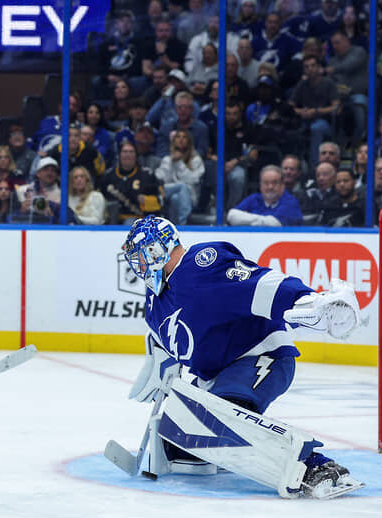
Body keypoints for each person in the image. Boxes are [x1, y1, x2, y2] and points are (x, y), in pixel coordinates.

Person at [119, 215, 364, 499]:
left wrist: (311, 303)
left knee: (220, 419)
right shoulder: (154, 301)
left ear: (155, 250)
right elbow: (166, 349)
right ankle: (225, 449)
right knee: (179, 441)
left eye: (140, 256)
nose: (137, 266)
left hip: (260, 356)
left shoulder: (200, 265)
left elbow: (259, 284)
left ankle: (314, 467)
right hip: (214, 378)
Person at [289, 55, 340, 168]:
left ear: (319, 67)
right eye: (306, 67)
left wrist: (316, 111)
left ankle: (315, 167)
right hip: (305, 120)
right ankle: (296, 166)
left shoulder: (328, 83)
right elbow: (290, 106)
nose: (310, 69)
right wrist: (301, 111)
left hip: (325, 122)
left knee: (316, 128)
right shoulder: (302, 84)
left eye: (313, 66)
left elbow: (336, 107)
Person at [100, 139, 163, 224]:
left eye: (131, 152)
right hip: (111, 219)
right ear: (119, 155)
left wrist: (146, 201)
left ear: (136, 155)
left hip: (139, 219)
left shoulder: (146, 175)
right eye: (125, 152)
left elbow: (160, 199)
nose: (127, 155)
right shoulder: (109, 176)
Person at [156, 129, 205, 225]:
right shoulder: (167, 159)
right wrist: (171, 162)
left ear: (189, 141)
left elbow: (192, 180)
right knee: (181, 187)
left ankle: (174, 225)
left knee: (177, 197)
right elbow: (162, 178)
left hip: (190, 195)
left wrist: (179, 163)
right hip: (167, 191)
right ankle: (183, 223)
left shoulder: (196, 160)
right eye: (178, 137)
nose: (181, 140)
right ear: (174, 141)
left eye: (184, 137)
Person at [226, 165, 303, 226]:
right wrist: (263, 220)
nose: (270, 187)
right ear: (260, 185)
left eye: (274, 183)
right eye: (266, 183)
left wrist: (247, 216)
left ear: (282, 185)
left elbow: (274, 223)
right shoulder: (254, 198)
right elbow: (231, 215)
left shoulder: (290, 202)